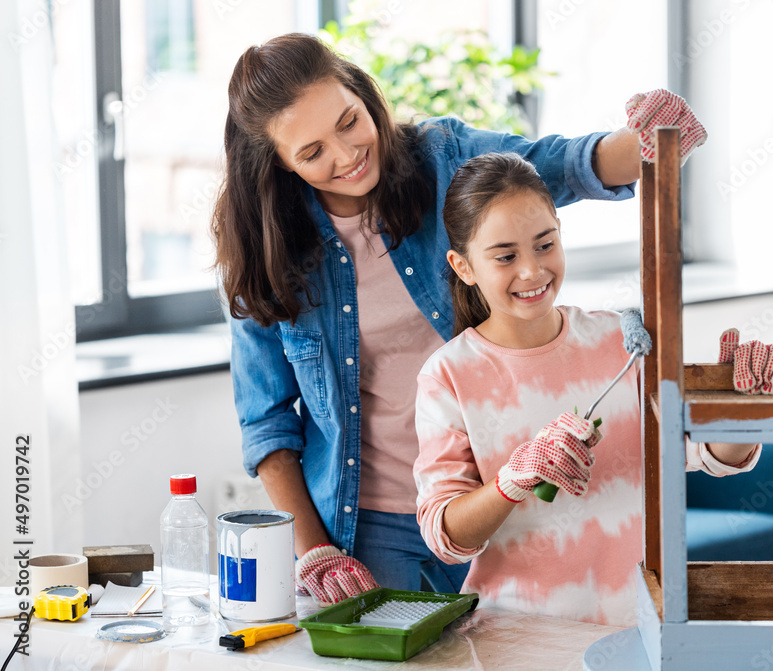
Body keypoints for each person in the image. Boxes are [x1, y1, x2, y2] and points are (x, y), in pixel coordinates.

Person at [212, 31, 705, 605]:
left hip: (499, 495)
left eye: (348, 122)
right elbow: (267, 423)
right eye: (313, 152)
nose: (346, 156)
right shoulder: (262, 251)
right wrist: (314, 548)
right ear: (277, 162)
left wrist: (654, 141)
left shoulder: (441, 156)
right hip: (369, 525)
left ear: (362, 94)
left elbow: (557, 167)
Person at [412, 152, 760, 626]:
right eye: (506, 256)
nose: (532, 271)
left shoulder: (621, 342)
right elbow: (445, 536)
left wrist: (743, 405)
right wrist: (512, 481)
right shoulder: (447, 375)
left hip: (642, 621)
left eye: (544, 245)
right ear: (464, 266)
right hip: (518, 633)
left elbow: (703, 454)